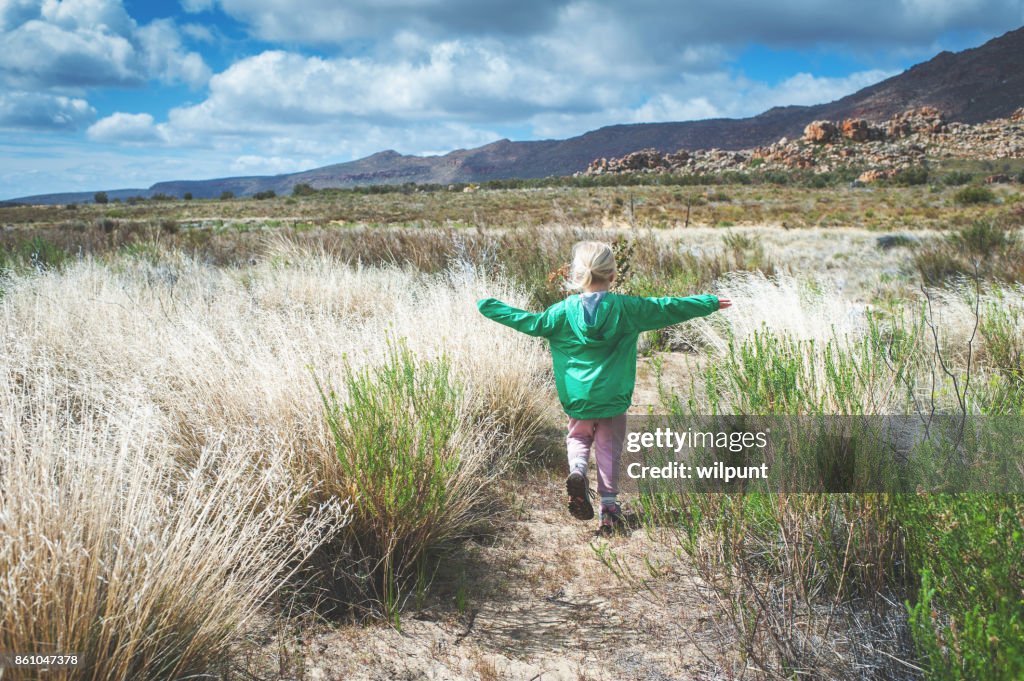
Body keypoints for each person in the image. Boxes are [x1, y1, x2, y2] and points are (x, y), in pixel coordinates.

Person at [476, 240, 731, 533]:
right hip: (612, 397)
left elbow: (530, 323)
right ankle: (609, 508)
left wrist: (489, 306)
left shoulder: (561, 312)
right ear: (612, 275)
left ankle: (578, 472)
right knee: (610, 448)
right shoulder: (628, 308)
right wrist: (708, 303)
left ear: (578, 275)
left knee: (579, 438)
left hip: (578, 397)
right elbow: (667, 308)